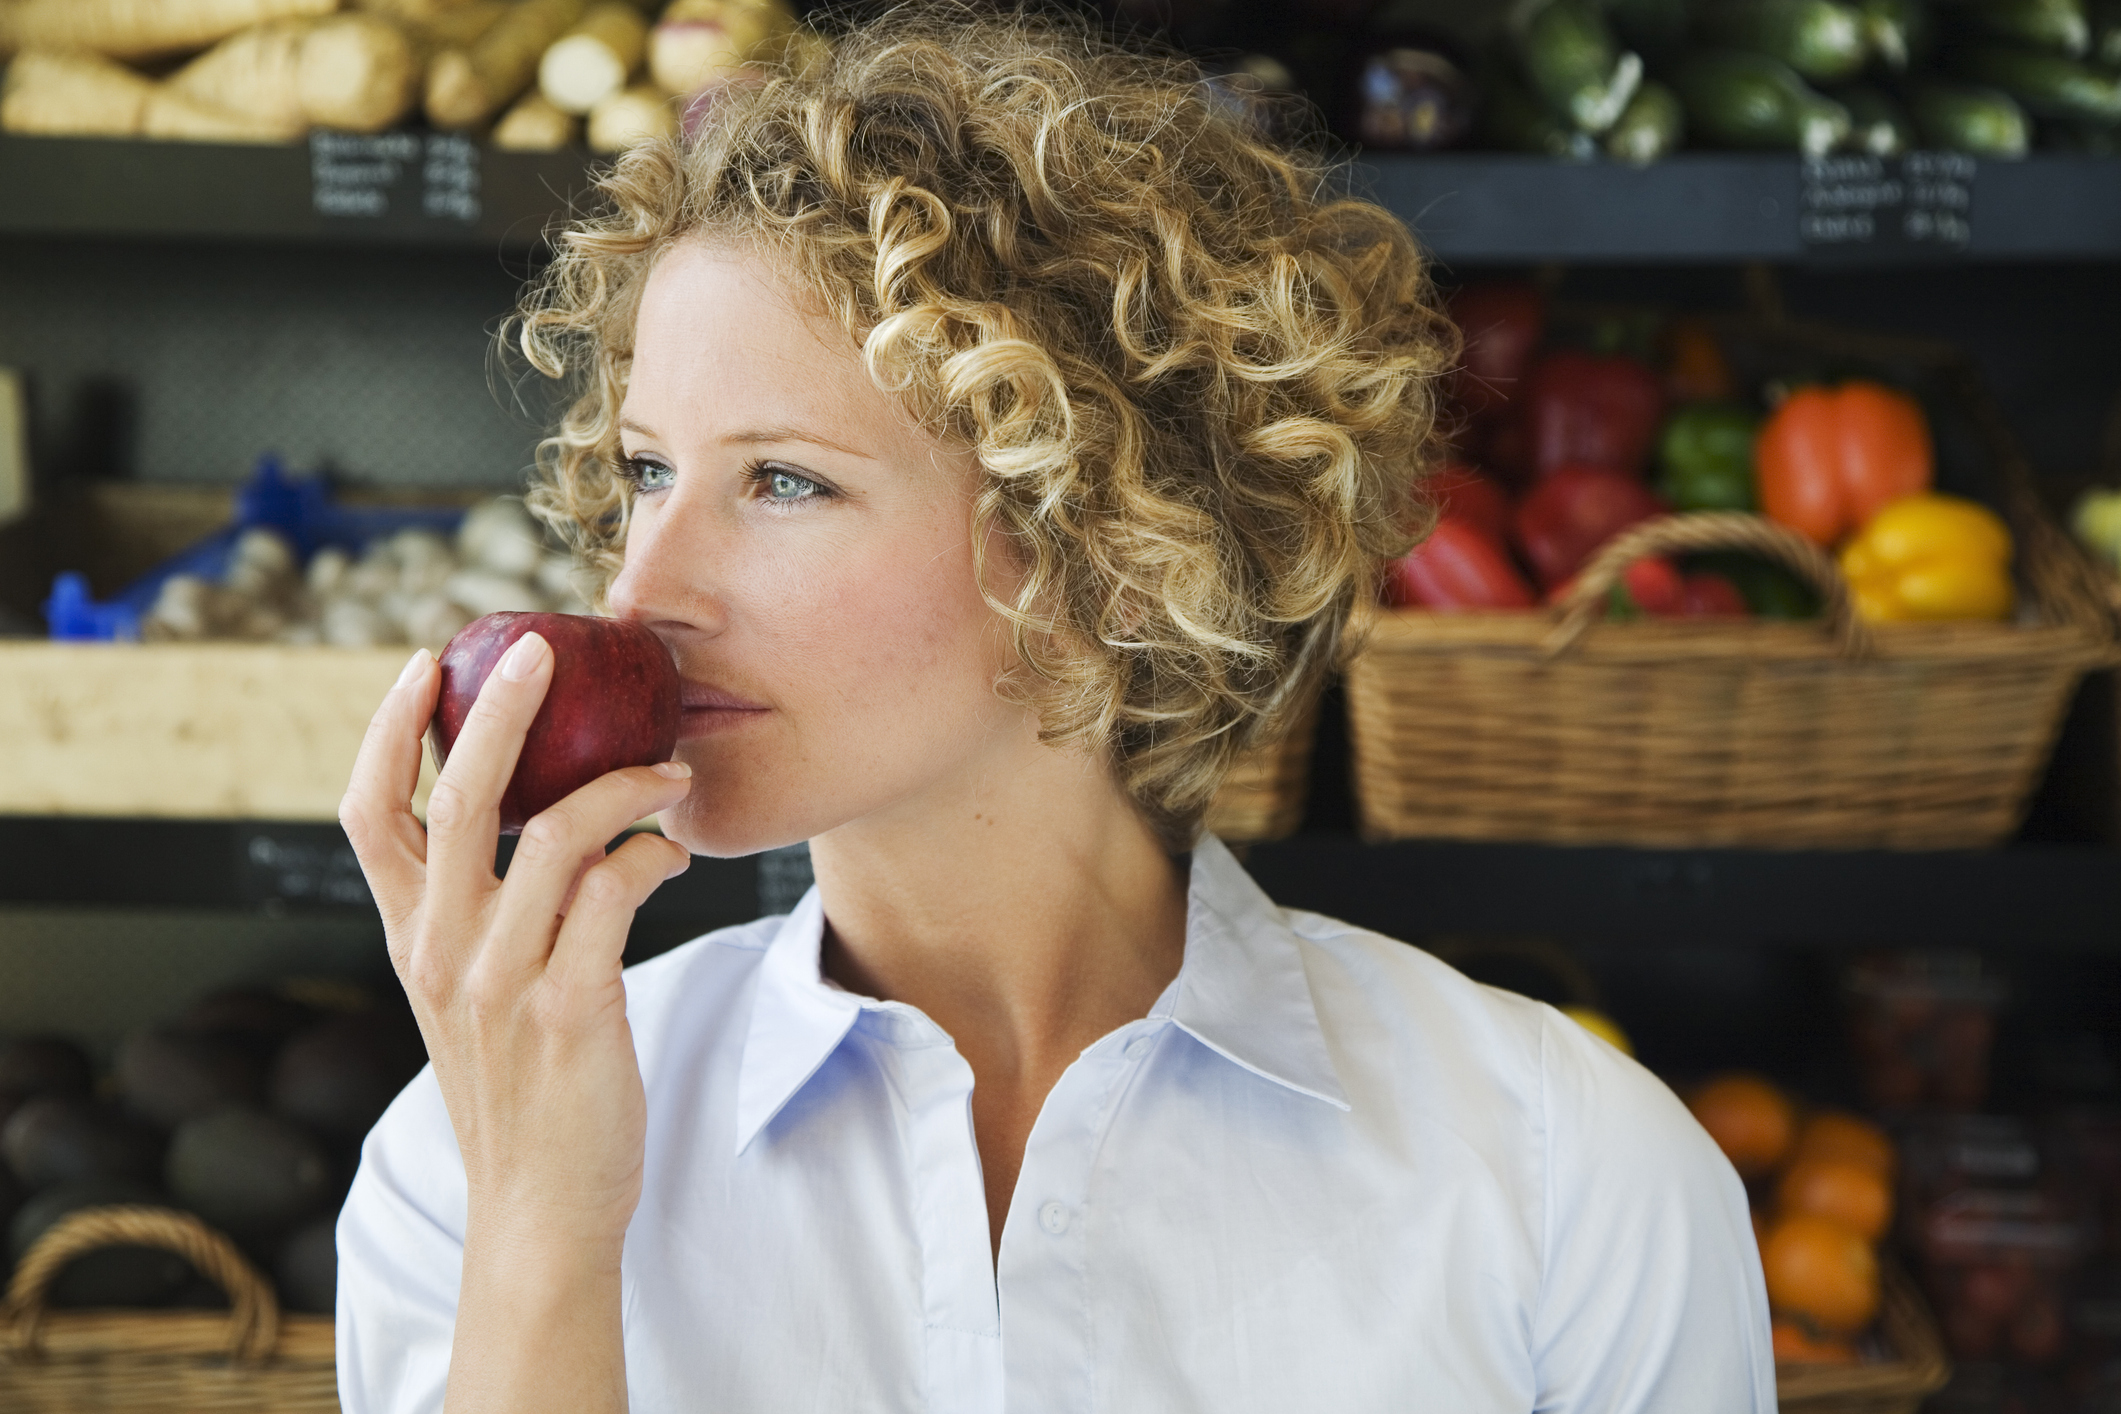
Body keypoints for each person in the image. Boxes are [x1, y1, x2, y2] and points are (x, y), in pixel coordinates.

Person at [334, 5, 1774, 1410]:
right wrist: (542, 1228)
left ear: (1114, 545)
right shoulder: (465, 1165)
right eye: (648, 470)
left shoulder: (1562, 1175)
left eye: (784, 481)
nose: (641, 588)